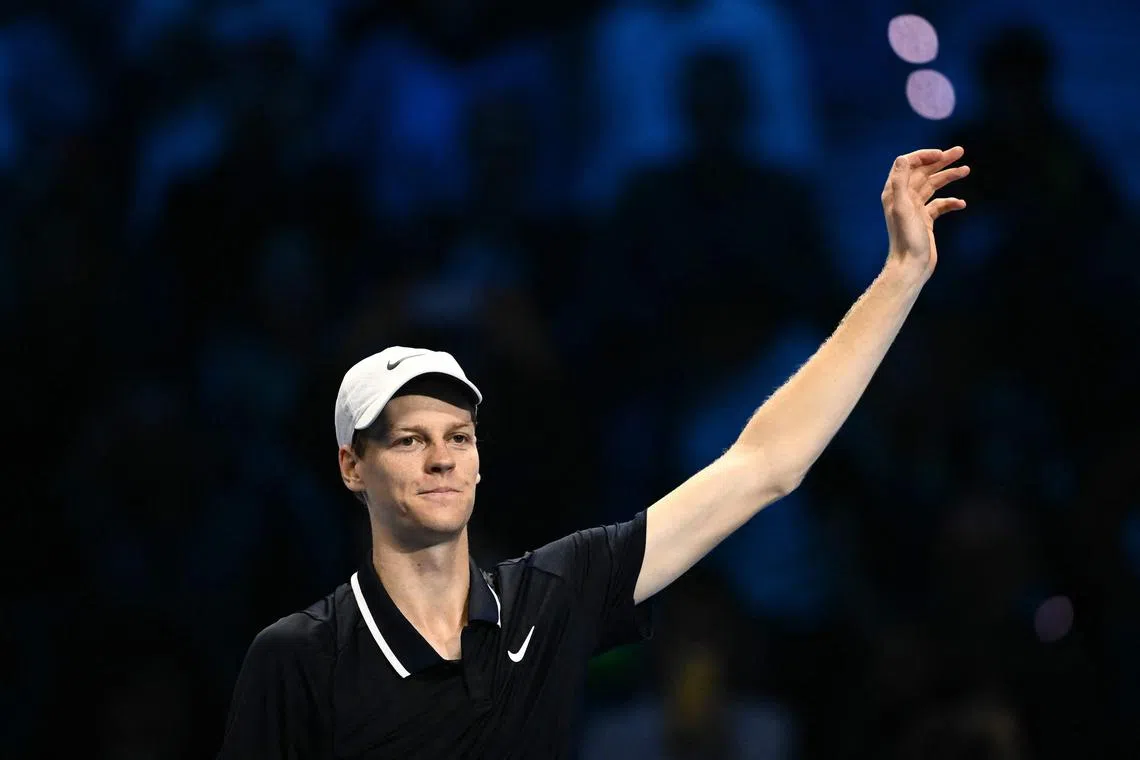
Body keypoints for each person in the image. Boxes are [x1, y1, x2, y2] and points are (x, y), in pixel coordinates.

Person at [217, 146, 970, 758]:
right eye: (410, 439)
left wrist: (900, 277)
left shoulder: (551, 596)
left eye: (459, 437)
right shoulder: (297, 656)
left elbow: (765, 465)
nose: (442, 459)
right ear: (353, 466)